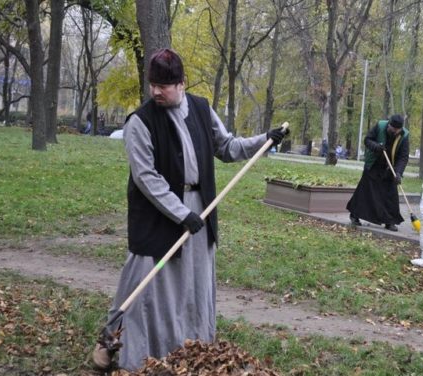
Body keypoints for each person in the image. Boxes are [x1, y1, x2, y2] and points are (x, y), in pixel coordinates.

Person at [92, 48, 288, 371]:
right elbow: (146, 178)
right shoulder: (140, 122)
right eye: (153, 84)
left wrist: (264, 140)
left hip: (200, 208)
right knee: (142, 284)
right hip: (158, 215)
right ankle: (111, 343)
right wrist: (181, 214)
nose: (156, 91)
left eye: (164, 85)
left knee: (193, 284)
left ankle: (189, 350)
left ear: (182, 83)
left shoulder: (200, 108)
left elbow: (227, 146)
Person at [346, 114, 409, 232]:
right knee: (365, 192)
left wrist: (398, 173)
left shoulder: (404, 136)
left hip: (390, 168)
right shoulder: (380, 126)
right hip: (374, 164)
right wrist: (376, 147)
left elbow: (403, 157)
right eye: (392, 128)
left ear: (400, 129)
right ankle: (355, 216)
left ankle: (389, 221)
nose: (394, 131)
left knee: (390, 195)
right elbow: (367, 140)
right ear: (389, 124)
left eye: (396, 130)